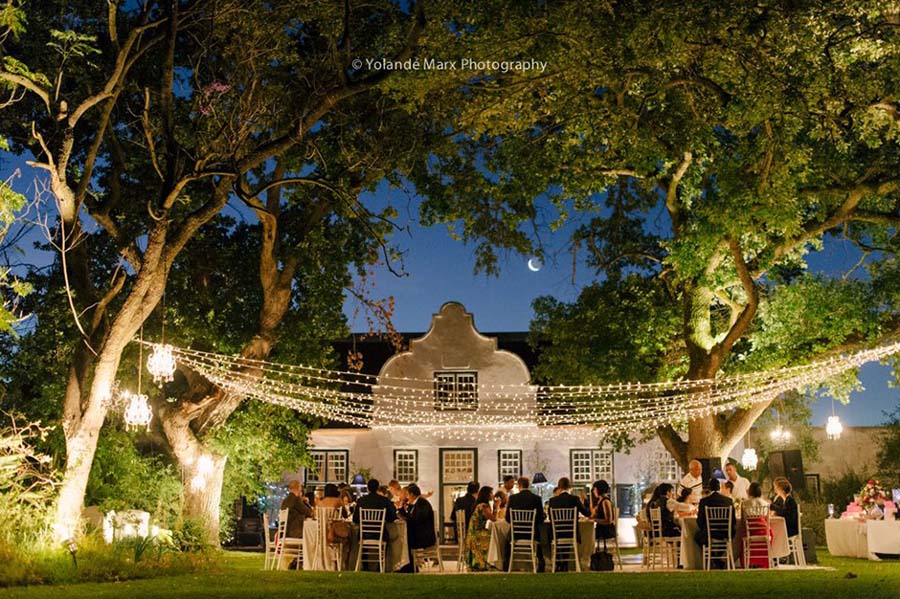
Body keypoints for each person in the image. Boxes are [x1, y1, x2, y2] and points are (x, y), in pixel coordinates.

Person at [505, 477, 546, 571]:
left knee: (506, 541)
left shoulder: (513, 498)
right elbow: (540, 519)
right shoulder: (536, 498)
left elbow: (507, 518)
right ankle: (541, 563)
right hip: (532, 534)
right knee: (540, 536)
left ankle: (507, 565)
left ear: (519, 486)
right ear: (529, 485)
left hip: (516, 534)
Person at [695, 478, 736, 568]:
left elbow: (699, 521)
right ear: (719, 488)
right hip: (726, 533)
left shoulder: (704, 501)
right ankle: (717, 559)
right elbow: (733, 520)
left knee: (697, 536)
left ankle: (713, 558)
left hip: (710, 533)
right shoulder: (728, 501)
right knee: (730, 535)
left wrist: (705, 528)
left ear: (709, 488)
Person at [400, 484, 437, 572]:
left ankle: (409, 567)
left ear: (412, 494)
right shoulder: (417, 503)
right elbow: (412, 517)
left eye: (408, 495)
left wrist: (405, 516)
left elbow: (418, 519)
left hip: (425, 536)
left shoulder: (422, 503)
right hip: (419, 533)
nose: (407, 497)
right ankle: (408, 566)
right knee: (404, 539)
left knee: (404, 540)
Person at [465, 486, 496, 571]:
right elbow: (493, 518)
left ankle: (491, 561)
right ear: (487, 494)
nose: (492, 495)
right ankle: (491, 562)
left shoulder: (480, 504)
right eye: (491, 493)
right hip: (476, 534)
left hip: (473, 533)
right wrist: (497, 506)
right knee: (494, 537)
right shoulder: (483, 506)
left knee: (493, 535)